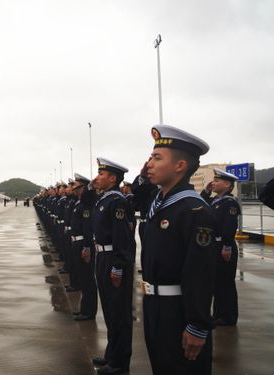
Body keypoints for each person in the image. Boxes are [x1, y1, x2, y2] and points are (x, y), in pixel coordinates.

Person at [135, 124, 216, 375]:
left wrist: (197, 325)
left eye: (157, 158)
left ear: (180, 166)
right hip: (154, 306)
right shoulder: (161, 204)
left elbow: (201, 273)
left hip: (179, 312)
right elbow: (137, 197)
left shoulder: (194, 211)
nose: (149, 164)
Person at [90, 157, 134, 374]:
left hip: (113, 260)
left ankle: (120, 362)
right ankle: (112, 354)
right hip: (102, 258)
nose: (97, 178)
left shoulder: (117, 201)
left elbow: (122, 238)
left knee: (119, 312)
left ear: (113, 178)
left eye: (101, 174)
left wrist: (118, 267)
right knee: (109, 309)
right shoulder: (104, 199)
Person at [201, 168, 241, 326]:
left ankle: (228, 316)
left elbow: (230, 226)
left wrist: (227, 246)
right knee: (216, 282)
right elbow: (201, 205)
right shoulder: (214, 201)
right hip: (214, 246)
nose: (214, 183)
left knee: (225, 283)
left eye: (217, 181)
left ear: (227, 184)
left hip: (224, 246)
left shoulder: (230, 203)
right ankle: (218, 314)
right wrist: (206, 191)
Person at [71, 173, 98, 320]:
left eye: (76, 186)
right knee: (83, 277)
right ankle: (84, 309)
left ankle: (89, 312)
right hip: (78, 243)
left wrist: (87, 247)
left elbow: (87, 229)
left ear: (83, 188)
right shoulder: (79, 203)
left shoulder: (87, 204)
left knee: (87, 279)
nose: (73, 189)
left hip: (84, 244)